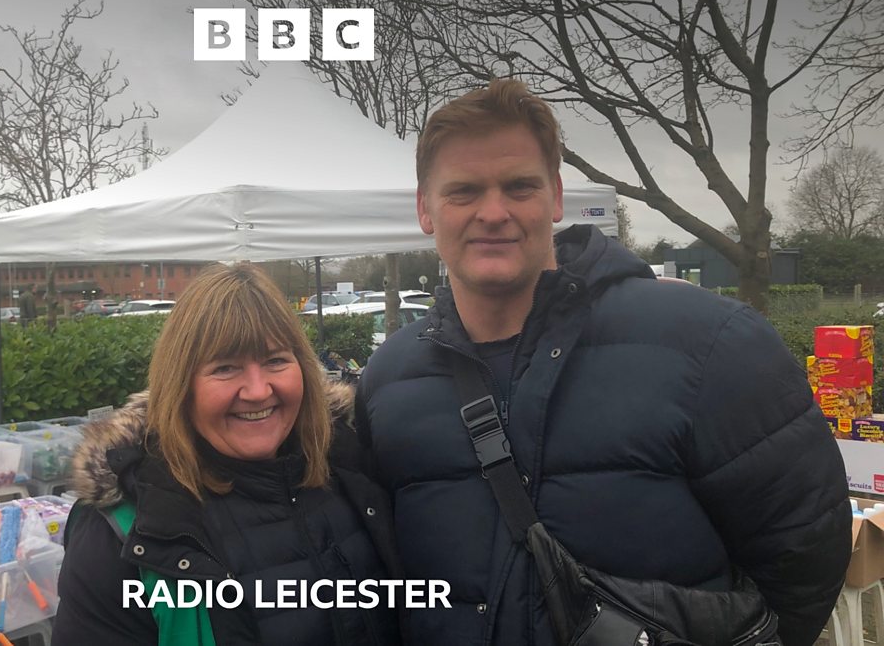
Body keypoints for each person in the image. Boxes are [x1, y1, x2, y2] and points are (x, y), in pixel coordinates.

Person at [354, 79, 850, 645]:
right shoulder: (388, 378)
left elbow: (804, 553)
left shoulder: (709, 342)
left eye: (519, 186)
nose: (493, 212)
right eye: (463, 191)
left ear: (557, 196)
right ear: (424, 208)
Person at [53, 263, 403, 646]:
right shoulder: (126, 533)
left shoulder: (351, 464)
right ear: (181, 385)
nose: (257, 390)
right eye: (225, 367)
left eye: (275, 360)